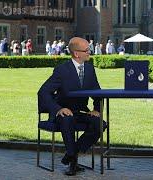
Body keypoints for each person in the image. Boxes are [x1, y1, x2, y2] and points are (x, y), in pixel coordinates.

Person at [38, 37, 106, 176]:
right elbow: (43, 92)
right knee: (67, 120)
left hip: (81, 112)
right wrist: (58, 109)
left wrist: (96, 110)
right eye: (87, 50)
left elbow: (97, 93)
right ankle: (73, 163)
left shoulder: (90, 68)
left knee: (100, 124)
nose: (90, 52)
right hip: (62, 113)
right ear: (76, 53)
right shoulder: (62, 70)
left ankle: (71, 154)